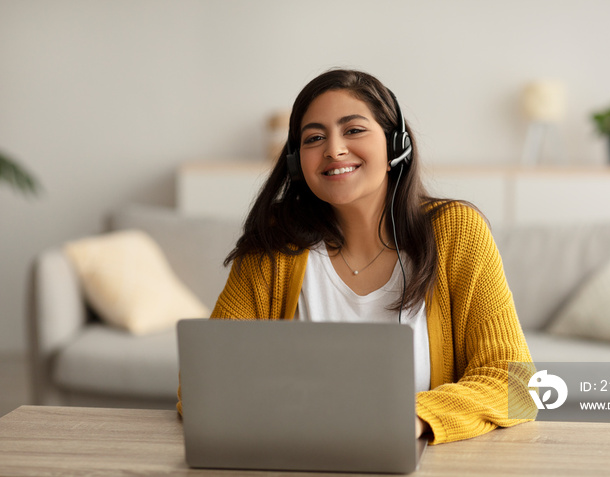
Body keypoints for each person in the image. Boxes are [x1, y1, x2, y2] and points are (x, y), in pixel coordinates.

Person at [178, 68, 536, 444]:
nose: (334, 149)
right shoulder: (276, 243)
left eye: (353, 130)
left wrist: (411, 418)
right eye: (315, 138)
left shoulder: (455, 231)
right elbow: (205, 383)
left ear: (395, 146)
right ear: (297, 163)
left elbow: (516, 384)